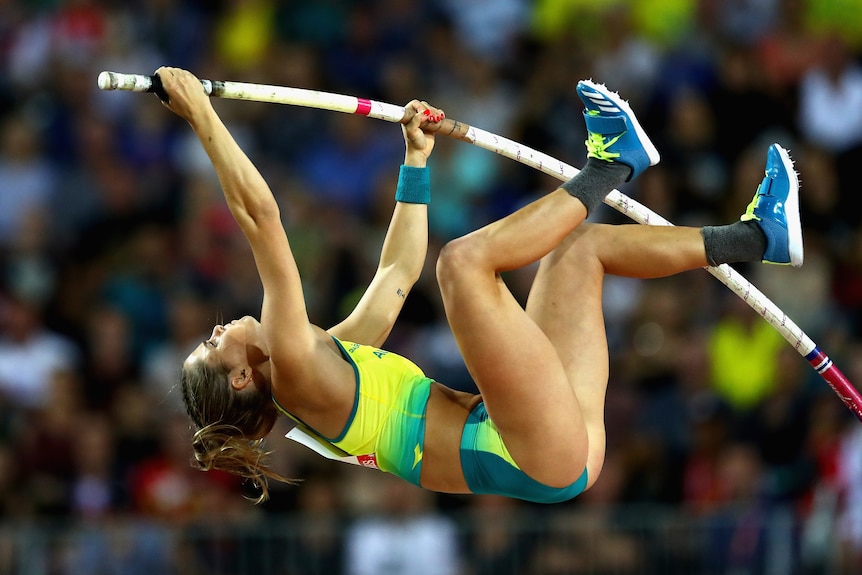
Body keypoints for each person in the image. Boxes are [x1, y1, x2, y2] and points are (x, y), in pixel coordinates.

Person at [159, 66, 803, 504]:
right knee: (463, 266)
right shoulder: (295, 368)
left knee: (579, 253)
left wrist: (415, 162)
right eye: (212, 347)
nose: (216, 331)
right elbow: (261, 218)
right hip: (530, 449)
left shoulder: (320, 367)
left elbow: (394, 275)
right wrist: (203, 118)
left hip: (548, 441)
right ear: (242, 377)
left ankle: (758, 238)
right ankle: (612, 164)